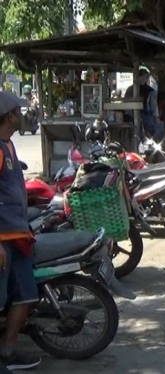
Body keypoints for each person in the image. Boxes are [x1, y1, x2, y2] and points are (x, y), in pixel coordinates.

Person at [0, 92, 42, 372]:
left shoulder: (9, 146)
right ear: (10, 116)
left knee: (26, 295)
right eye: (18, 110)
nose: (22, 114)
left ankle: (8, 348)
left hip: (17, 236)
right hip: (4, 241)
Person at [126, 67, 164, 141]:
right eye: (145, 77)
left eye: (146, 77)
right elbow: (153, 106)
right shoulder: (149, 91)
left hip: (142, 114)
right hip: (141, 115)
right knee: (157, 130)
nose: (145, 79)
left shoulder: (150, 91)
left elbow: (153, 105)